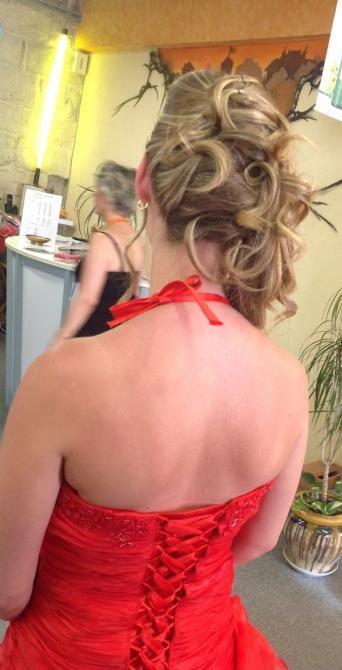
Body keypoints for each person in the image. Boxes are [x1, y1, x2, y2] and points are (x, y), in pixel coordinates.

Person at [0, 70, 312, 668]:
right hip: (207, 651)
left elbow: (7, 593)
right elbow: (259, 541)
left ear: (144, 178)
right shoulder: (289, 383)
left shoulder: (64, 380)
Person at [53, 161, 145, 344]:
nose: (94, 194)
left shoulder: (102, 240)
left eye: (97, 190)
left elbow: (87, 300)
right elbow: (134, 293)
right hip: (117, 338)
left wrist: (61, 339)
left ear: (105, 197)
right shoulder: (136, 239)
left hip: (92, 338)